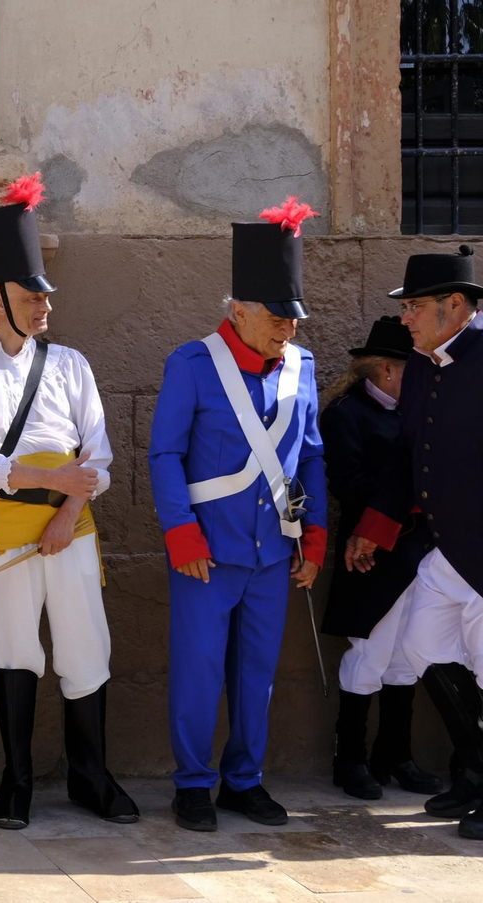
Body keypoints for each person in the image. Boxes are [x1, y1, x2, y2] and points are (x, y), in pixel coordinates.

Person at [0, 174, 137, 830]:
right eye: (33, 296)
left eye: (47, 295)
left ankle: (91, 774)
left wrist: (66, 513)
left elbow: (98, 461)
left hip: (71, 529)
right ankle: (16, 780)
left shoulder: (74, 365)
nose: (45, 306)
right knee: (15, 648)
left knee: (87, 646)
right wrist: (34, 480)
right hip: (5, 531)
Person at [148, 199, 327, 832]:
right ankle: (193, 783)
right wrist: (180, 532)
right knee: (198, 673)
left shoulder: (301, 369)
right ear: (239, 310)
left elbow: (310, 455)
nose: (288, 331)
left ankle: (243, 779)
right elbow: (165, 454)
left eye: (294, 320)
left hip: (272, 551)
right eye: (277, 318)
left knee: (257, 676)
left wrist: (316, 536)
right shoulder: (192, 365)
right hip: (207, 550)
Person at [345, 245, 483, 840]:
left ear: (456, 305)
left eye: (416, 307)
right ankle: (476, 772)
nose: (406, 318)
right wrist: (373, 528)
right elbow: (408, 456)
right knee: (424, 648)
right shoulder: (424, 363)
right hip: (448, 552)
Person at [318, 316, 442, 801]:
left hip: (419, 552)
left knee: (407, 658)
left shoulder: (416, 413)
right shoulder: (346, 414)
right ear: (388, 370)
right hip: (371, 550)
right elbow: (347, 483)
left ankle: (395, 755)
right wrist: (405, 501)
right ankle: (349, 760)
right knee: (370, 652)